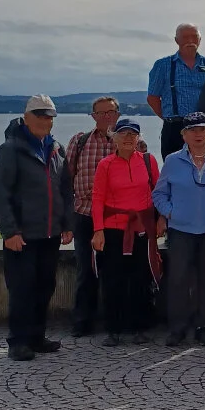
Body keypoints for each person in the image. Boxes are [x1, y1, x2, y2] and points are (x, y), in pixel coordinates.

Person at [0, 95, 74, 361]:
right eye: (40, 115)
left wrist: (67, 224)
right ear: (26, 117)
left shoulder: (56, 148)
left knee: (44, 286)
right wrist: (10, 231)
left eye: (49, 116)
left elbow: (65, 190)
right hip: (22, 236)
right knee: (22, 289)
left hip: (49, 233)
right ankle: (18, 342)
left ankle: (37, 337)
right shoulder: (11, 149)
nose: (45, 121)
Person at [65, 95, 141, 336]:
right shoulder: (79, 141)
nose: (106, 117)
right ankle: (83, 321)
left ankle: (124, 322)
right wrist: (65, 219)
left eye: (110, 112)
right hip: (85, 213)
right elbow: (66, 179)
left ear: (117, 114)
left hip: (117, 219)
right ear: (93, 116)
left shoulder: (130, 141)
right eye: (100, 113)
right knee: (86, 269)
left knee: (117, 272)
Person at [152, 112, 205, 347]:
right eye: (192, 130)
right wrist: (171, 212)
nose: (198, 134)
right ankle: (177, 328)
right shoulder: (173, 161)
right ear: (183, 135)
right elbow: (159, 193)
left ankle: (204, 326)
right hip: (181, 230)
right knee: (178, 279)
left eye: (202, 129)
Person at [90, 118, 163, 346]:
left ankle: (142, 327)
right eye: (124, 133)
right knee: (113, 281)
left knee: (142, 279)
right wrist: (98, 230)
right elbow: (97, 198)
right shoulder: (106, 165)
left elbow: (159, 193)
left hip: (142, 228)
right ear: (115, 137)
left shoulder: (149, 162)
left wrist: (162, 221)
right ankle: (114, 329)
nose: (129, 138)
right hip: (114, 230)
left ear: (139, 138)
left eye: (133, 134)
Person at [147, 23, 205, 158]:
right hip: (175, 129)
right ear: (177, 40)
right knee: (174, 173)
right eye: (185, 37)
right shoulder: (163, 65)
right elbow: (152, 98)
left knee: (204, 170)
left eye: (194, 37)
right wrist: (170, 118)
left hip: (202, 129)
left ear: (200, 40)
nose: (190, 41)